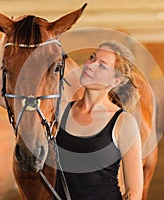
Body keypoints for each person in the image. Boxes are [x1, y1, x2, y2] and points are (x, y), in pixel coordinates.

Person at [54, 41, 143, 200]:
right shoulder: (60, 112)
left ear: (115, 81)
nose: (90, 65)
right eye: (92, 57)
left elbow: (134, 191)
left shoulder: (123, 122)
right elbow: (2, 97)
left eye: (102, 66)